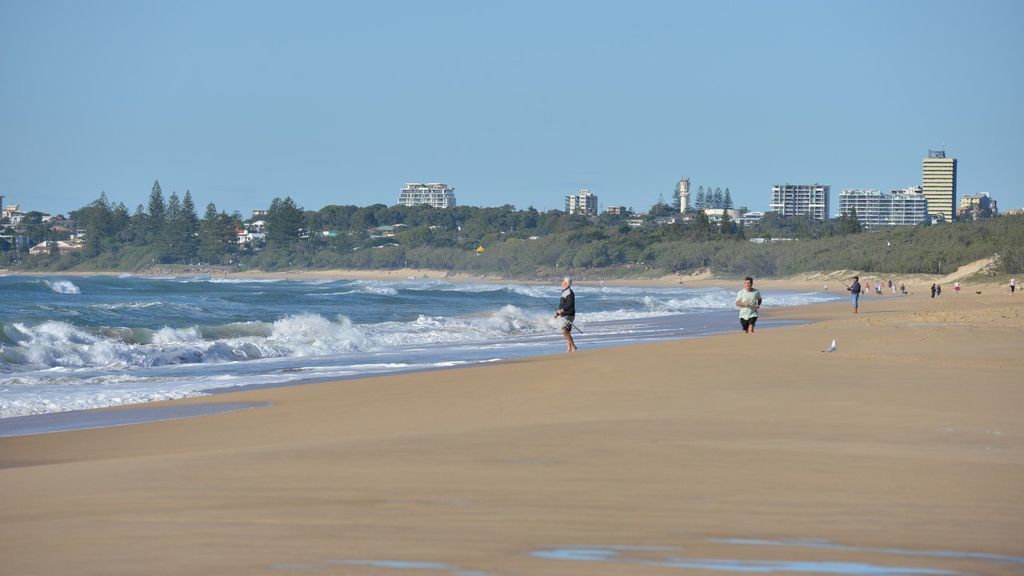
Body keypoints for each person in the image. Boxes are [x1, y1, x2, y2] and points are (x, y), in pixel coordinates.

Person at [554, 277, 577, 352]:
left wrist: (560, 311)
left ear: (566, 283)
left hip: (569, 315)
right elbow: (562, 304)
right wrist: (558, 312)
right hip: (565, 314)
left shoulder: (570, 292)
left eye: (563, 281)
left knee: (565, 331)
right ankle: (569, 347)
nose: (562, 283)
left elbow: (569, 305)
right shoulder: (565, 291)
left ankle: (573, 347)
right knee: (566, 331)